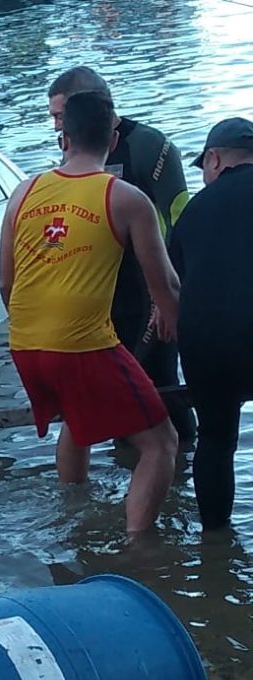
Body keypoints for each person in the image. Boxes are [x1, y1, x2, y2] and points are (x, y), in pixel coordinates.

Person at [0, 90, 180, 535]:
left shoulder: (23, 192)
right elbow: (168, 285)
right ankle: (138, 548)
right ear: (112, 138)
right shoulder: (126, 197)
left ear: (64, 136)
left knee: (78, 425)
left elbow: (7, 282)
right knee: (161, 442)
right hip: (79, 345)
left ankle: (73, 522)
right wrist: (174, 323)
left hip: (24, 344)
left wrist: (35, 330)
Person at [47, 66, 196, 443]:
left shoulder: (150, 147)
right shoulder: (73, 155)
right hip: (105, 300)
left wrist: (169, 298)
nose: (56, 129)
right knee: (119, 408)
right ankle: (126, 490)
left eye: (60, 117)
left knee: (163, 393)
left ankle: (183, 484)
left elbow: (182, 225)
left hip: (152, 294)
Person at [169, 117, 253, 530]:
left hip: (208, 343)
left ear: (215, 160)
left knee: (216, 442)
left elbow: (176, 279)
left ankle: (215, 542)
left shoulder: (193, 213)